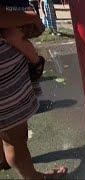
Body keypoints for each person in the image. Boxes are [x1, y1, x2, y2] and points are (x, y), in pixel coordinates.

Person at [0, 1, 67, 178]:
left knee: (6, 133)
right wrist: (31, 18)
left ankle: (3, 159)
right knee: (15, 140)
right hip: (4, 82)